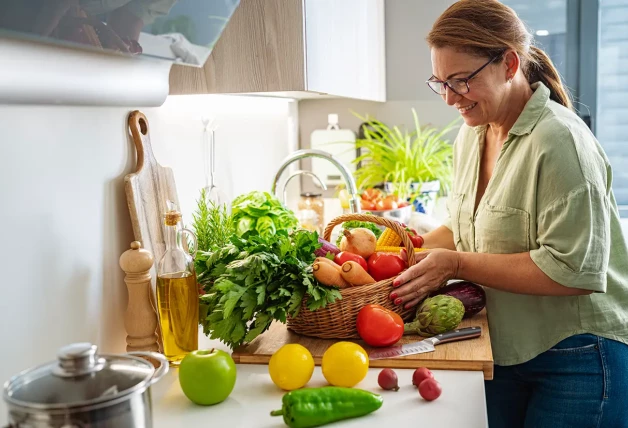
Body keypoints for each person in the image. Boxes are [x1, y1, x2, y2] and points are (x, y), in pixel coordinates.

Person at [390, 1, 628, 427]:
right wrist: (400, 255)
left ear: (509, 63)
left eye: (461, 81)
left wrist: (457, 264)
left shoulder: (560, 142)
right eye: (440, 82)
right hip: (503, 347)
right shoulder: (471, 134)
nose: (449, 98)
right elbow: (468, 230)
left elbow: (572, 271)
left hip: (578, 355)